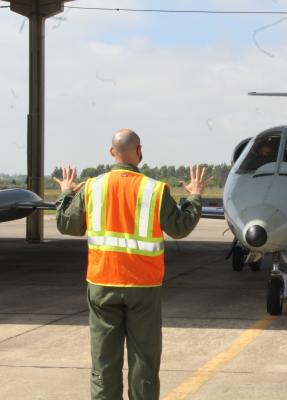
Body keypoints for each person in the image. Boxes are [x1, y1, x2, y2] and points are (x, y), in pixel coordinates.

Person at [54, 128, 211, 400]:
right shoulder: (154, 189)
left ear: (111, 152)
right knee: (144, 363)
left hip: (102, 284)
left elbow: (67, 224)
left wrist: (66, 193)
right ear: (139, 151)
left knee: (104, 363)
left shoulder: (92, 187)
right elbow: (181, 227)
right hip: (143, 286)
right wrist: (194, 197)